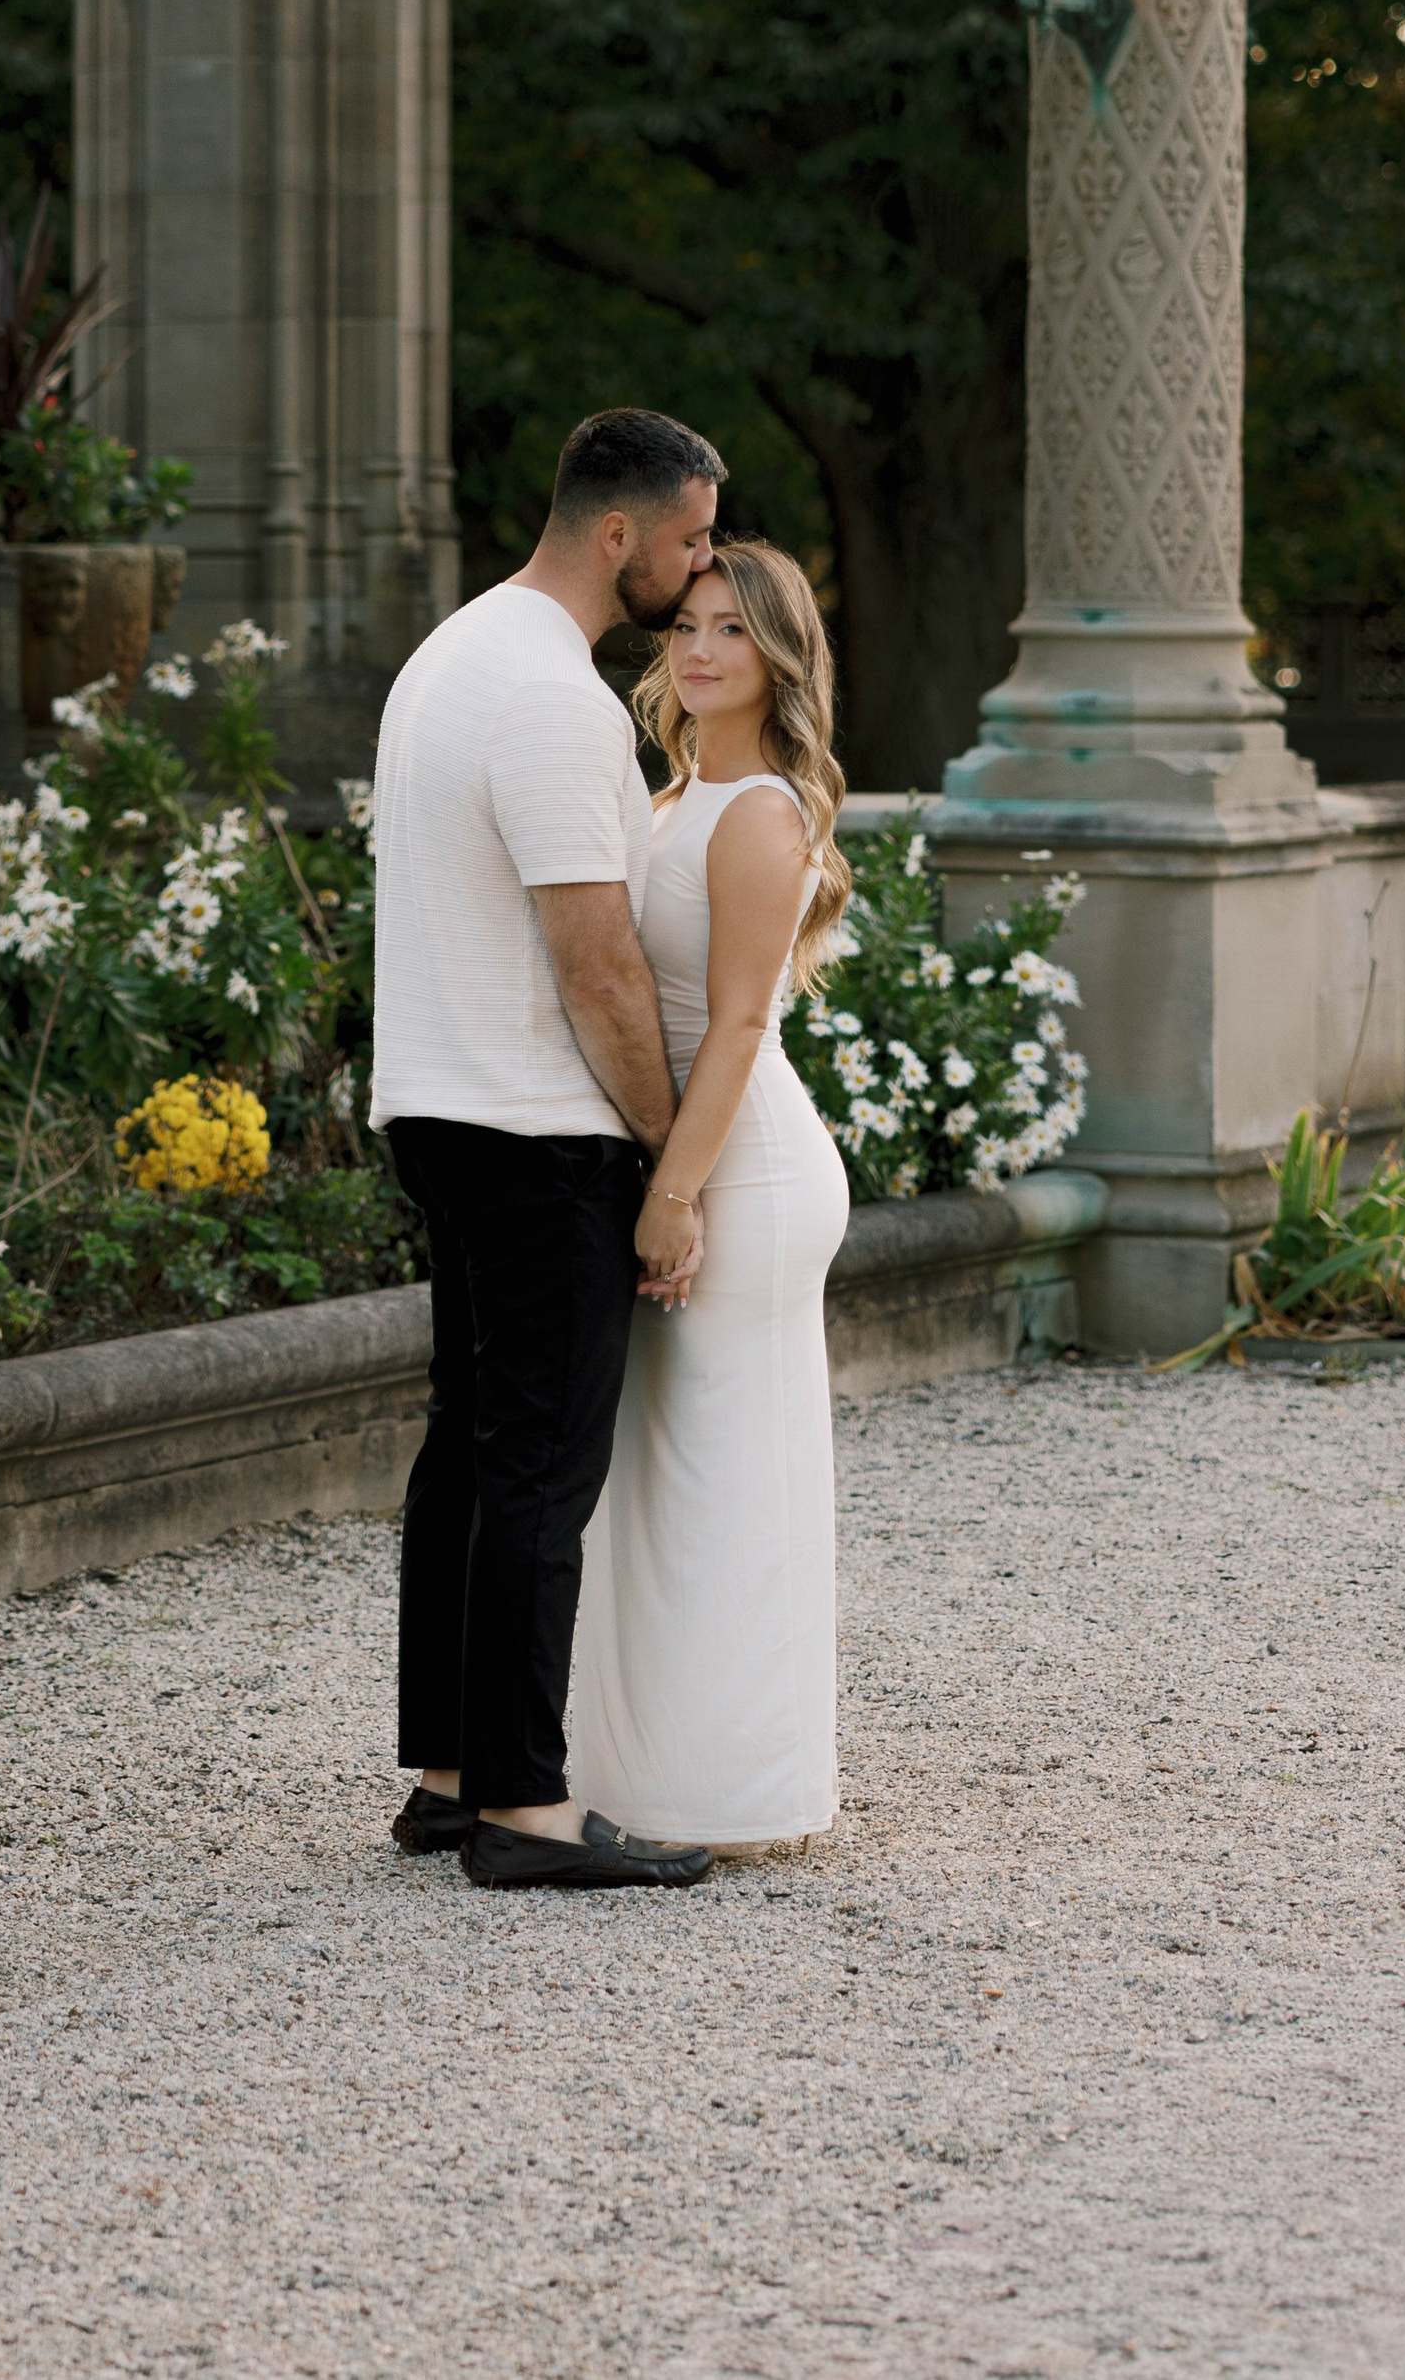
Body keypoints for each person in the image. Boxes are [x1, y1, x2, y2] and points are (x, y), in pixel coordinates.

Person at [371, 407, 726, 1892]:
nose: (707, 565)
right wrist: (669, 1159)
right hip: (536, 1130)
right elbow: (595, 963)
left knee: (469, 1444)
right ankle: (522, 1809)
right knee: (540, 1471)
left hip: (440, 1107)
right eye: (696, 538)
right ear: (621, 532)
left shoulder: (452, 653)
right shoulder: (557, 701)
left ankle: (449, 1778)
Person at [570, 541, 853, 1851]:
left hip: (743, 1164)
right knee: (663, 1476)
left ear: (777, 657)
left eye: (732, 630)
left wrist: (675, 1197)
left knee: (728, 1476)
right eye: (685, 623)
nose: (698, 649)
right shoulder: (678, 795)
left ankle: (745, 1793)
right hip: (684, 1154)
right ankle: (644, 1774)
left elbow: (740, 1022)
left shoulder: (762, 812)